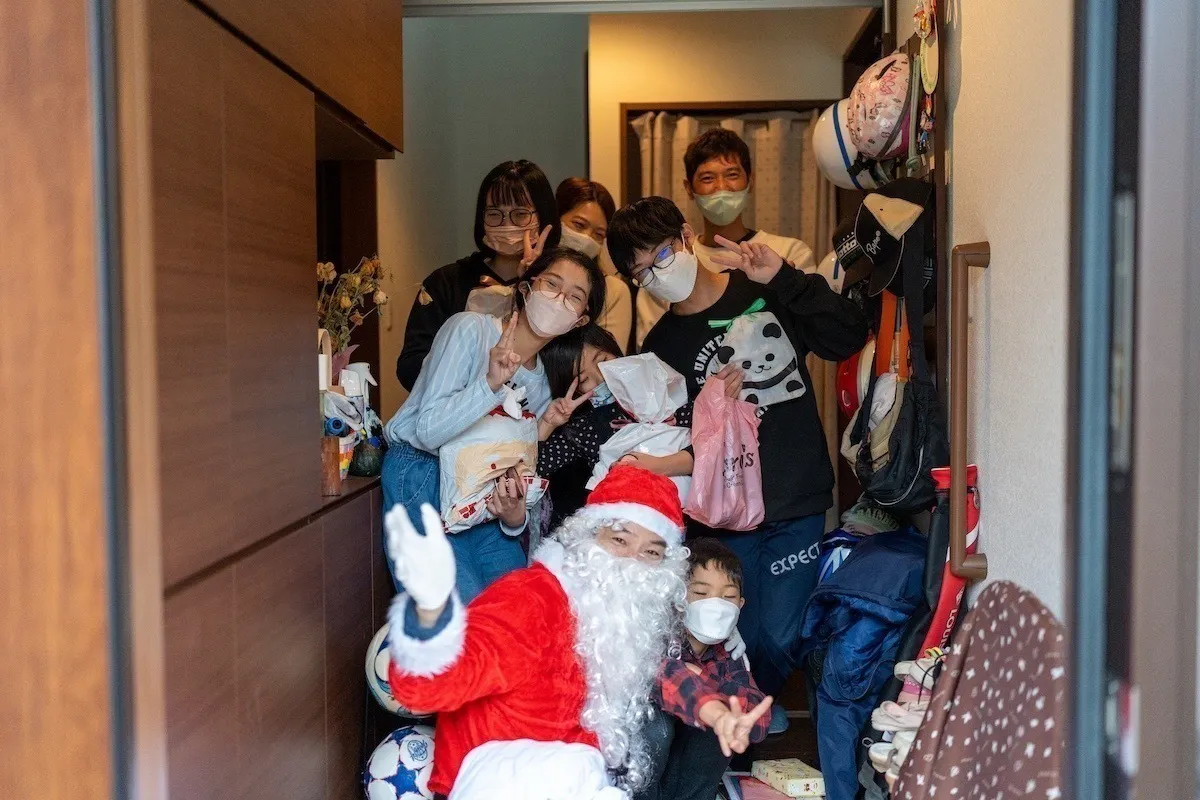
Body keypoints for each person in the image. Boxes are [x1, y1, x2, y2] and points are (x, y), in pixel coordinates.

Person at [606, 196, 869, 732]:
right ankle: (739, 721)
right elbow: (676, 434)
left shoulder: (761, 289)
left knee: (781, 632)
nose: (656, 275)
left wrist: (786, 279)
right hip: (722, 510)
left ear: (686, 236)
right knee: (730, 624)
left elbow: (848, 335)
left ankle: (754, 708)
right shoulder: (661, 346)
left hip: (793, 490)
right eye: (641, 273)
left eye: (661, 255)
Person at [385, 465, 763, 799]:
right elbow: (423, 687)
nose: (632, 562)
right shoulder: (530, 600)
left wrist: (717, 714)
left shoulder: (622, 621)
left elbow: (666, 674)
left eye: (651, 553)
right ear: (587, 537)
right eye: (619, 540)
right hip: (499, 781)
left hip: (580, 781)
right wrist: (431, 611)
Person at [381, 248, 604, 601]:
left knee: (515, 608)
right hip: (424, 473)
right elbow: (427, 431)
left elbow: (513, 467)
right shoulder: (469, 329)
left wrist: (515, 517)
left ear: (579, 321)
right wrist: (489, 384)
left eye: (574, 297)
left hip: (484, 500)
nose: (559, 299)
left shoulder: (543, 383)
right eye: (552, 284)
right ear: (528, 288)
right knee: (459, 613)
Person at [395, 160, 559, 391]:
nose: (506, 224)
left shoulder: (559, 289)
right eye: (494, 213)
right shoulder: (445, 282)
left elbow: (564, 365)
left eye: (520, 214)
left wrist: (535, 286)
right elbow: (409, 367)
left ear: (543, 217)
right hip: (456, 408)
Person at [638, 538, 772, 800]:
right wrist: (708, 695)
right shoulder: (655, 636)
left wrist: (706, 684)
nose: (716, 605)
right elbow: (661, 674)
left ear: (740, 605)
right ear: (677, 598)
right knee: (655, 727)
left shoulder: (729, 653)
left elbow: (758, 717)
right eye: (700, 593)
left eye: (728, 597)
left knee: (722, 725)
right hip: (640, 773)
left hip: (683, 774)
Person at [683, 128, 815, 274]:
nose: (721, 187)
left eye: (732, 175)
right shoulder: (678, 258)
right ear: (689, 188)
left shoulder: (790, 252)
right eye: (707, 178)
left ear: (750, 181)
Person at [536, 324, 624, 526]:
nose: (601, 377)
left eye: (603, 361)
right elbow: (536, 466)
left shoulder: (658, 385)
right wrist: (547, 424)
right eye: (584, 379)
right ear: (574, 390)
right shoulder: (584, 429)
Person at [556, 177, 637, 353]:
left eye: (598, 234)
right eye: (579, 225)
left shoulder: (612, 291)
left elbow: (605, 360)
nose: (587, 238)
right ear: (556, 218)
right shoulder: (530, 273)